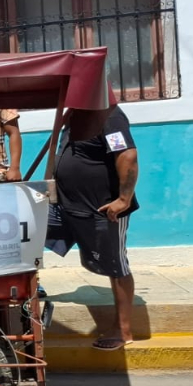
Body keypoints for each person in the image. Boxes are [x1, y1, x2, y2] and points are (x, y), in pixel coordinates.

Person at [51, 98, 139, 351]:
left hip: (103, 210)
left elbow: (127, 155)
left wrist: (123, 199)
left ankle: (123, 330)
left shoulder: (109, 115)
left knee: (116, 264)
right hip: (68, 206)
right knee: (31, 233)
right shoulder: (75, 114)